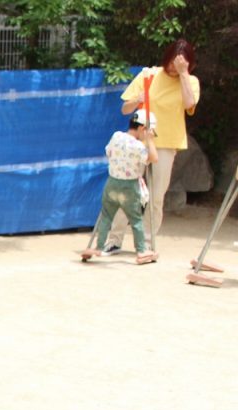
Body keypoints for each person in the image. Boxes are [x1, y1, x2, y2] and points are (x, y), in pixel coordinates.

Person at [102, 38, 200, 254]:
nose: (173, 68)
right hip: (139, 142)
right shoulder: (149, 75)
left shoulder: (190, 81)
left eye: (179, 64)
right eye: (172, 63)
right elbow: (125, 109)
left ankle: (145, 242)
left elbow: (189, 104)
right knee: (126, 189)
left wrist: (183, 74)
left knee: (156, 196)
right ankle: (115, 239)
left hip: (166, 144)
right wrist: (137, 99)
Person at [82, 110, 160, 264]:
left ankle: (99, 246)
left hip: (112, 183)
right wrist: (150, 141)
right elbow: (154, 158)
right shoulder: (138, 146)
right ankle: (141, 251)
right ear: (142, 128)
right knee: (136, 219)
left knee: (106, 216)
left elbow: (108, 152)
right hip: (129, 186)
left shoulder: (116, 136)